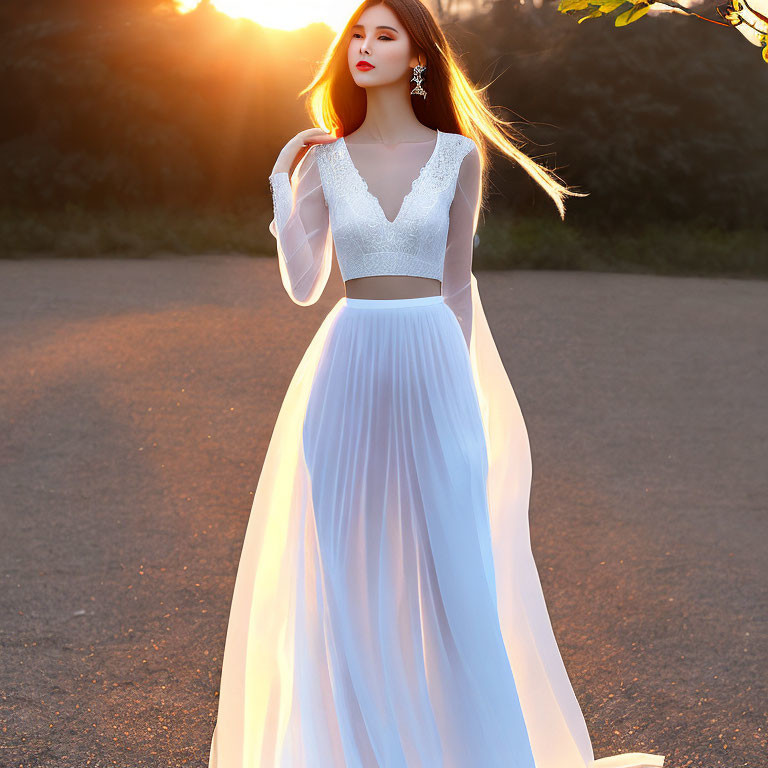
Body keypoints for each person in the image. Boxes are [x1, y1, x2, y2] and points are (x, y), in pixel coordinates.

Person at [207, 1, 665, 766]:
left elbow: (458, 287)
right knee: (343, 574)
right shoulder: (326, 158)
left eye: (384, 34)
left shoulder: (459, 158)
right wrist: (283, 185)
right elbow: (301, 283)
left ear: (417, 57)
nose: (364, 45)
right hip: (346, 368)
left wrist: (468, 404)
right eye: (356, 32)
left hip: (432, 367)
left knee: (449, 571)